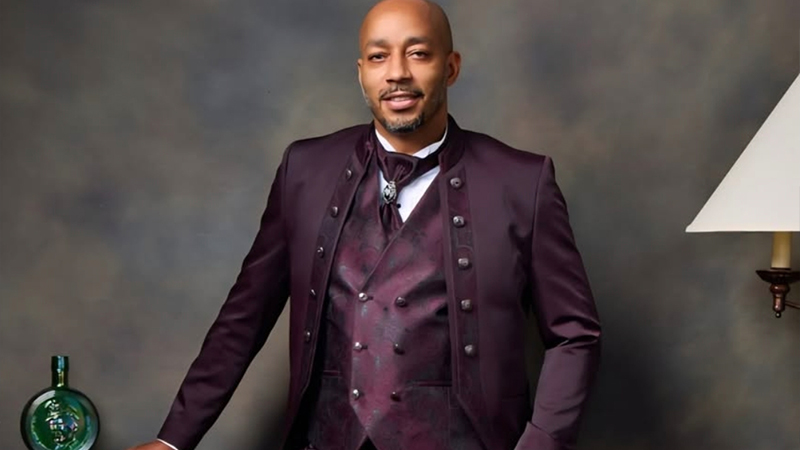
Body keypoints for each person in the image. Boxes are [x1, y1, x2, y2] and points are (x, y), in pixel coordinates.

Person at [129, 1, 601, 449]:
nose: (397, 72)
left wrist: (541, 444)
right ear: (362, 74)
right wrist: (174, 438)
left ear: (451, 67)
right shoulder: (305, 169)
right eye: (379, 56)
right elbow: (244, 318)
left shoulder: (522, 182)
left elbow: (574, 334)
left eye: (418, 53)